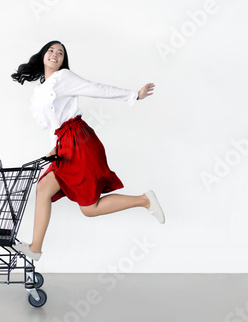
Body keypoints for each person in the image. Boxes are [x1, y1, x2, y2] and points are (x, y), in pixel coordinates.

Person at [11, 40, 165, 261]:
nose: (55, 54)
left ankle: (144, 200)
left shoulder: (63, 78)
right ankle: (35, 248)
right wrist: (56, 146)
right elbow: (60, 122)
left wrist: (134, 95)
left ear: (64, 60)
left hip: (80, 143)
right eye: (51, 50)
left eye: (60, 53)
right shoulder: (43, 88)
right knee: (44, 188)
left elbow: (96, 88)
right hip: (67, 142)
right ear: (43, 55)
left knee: (89, 209)